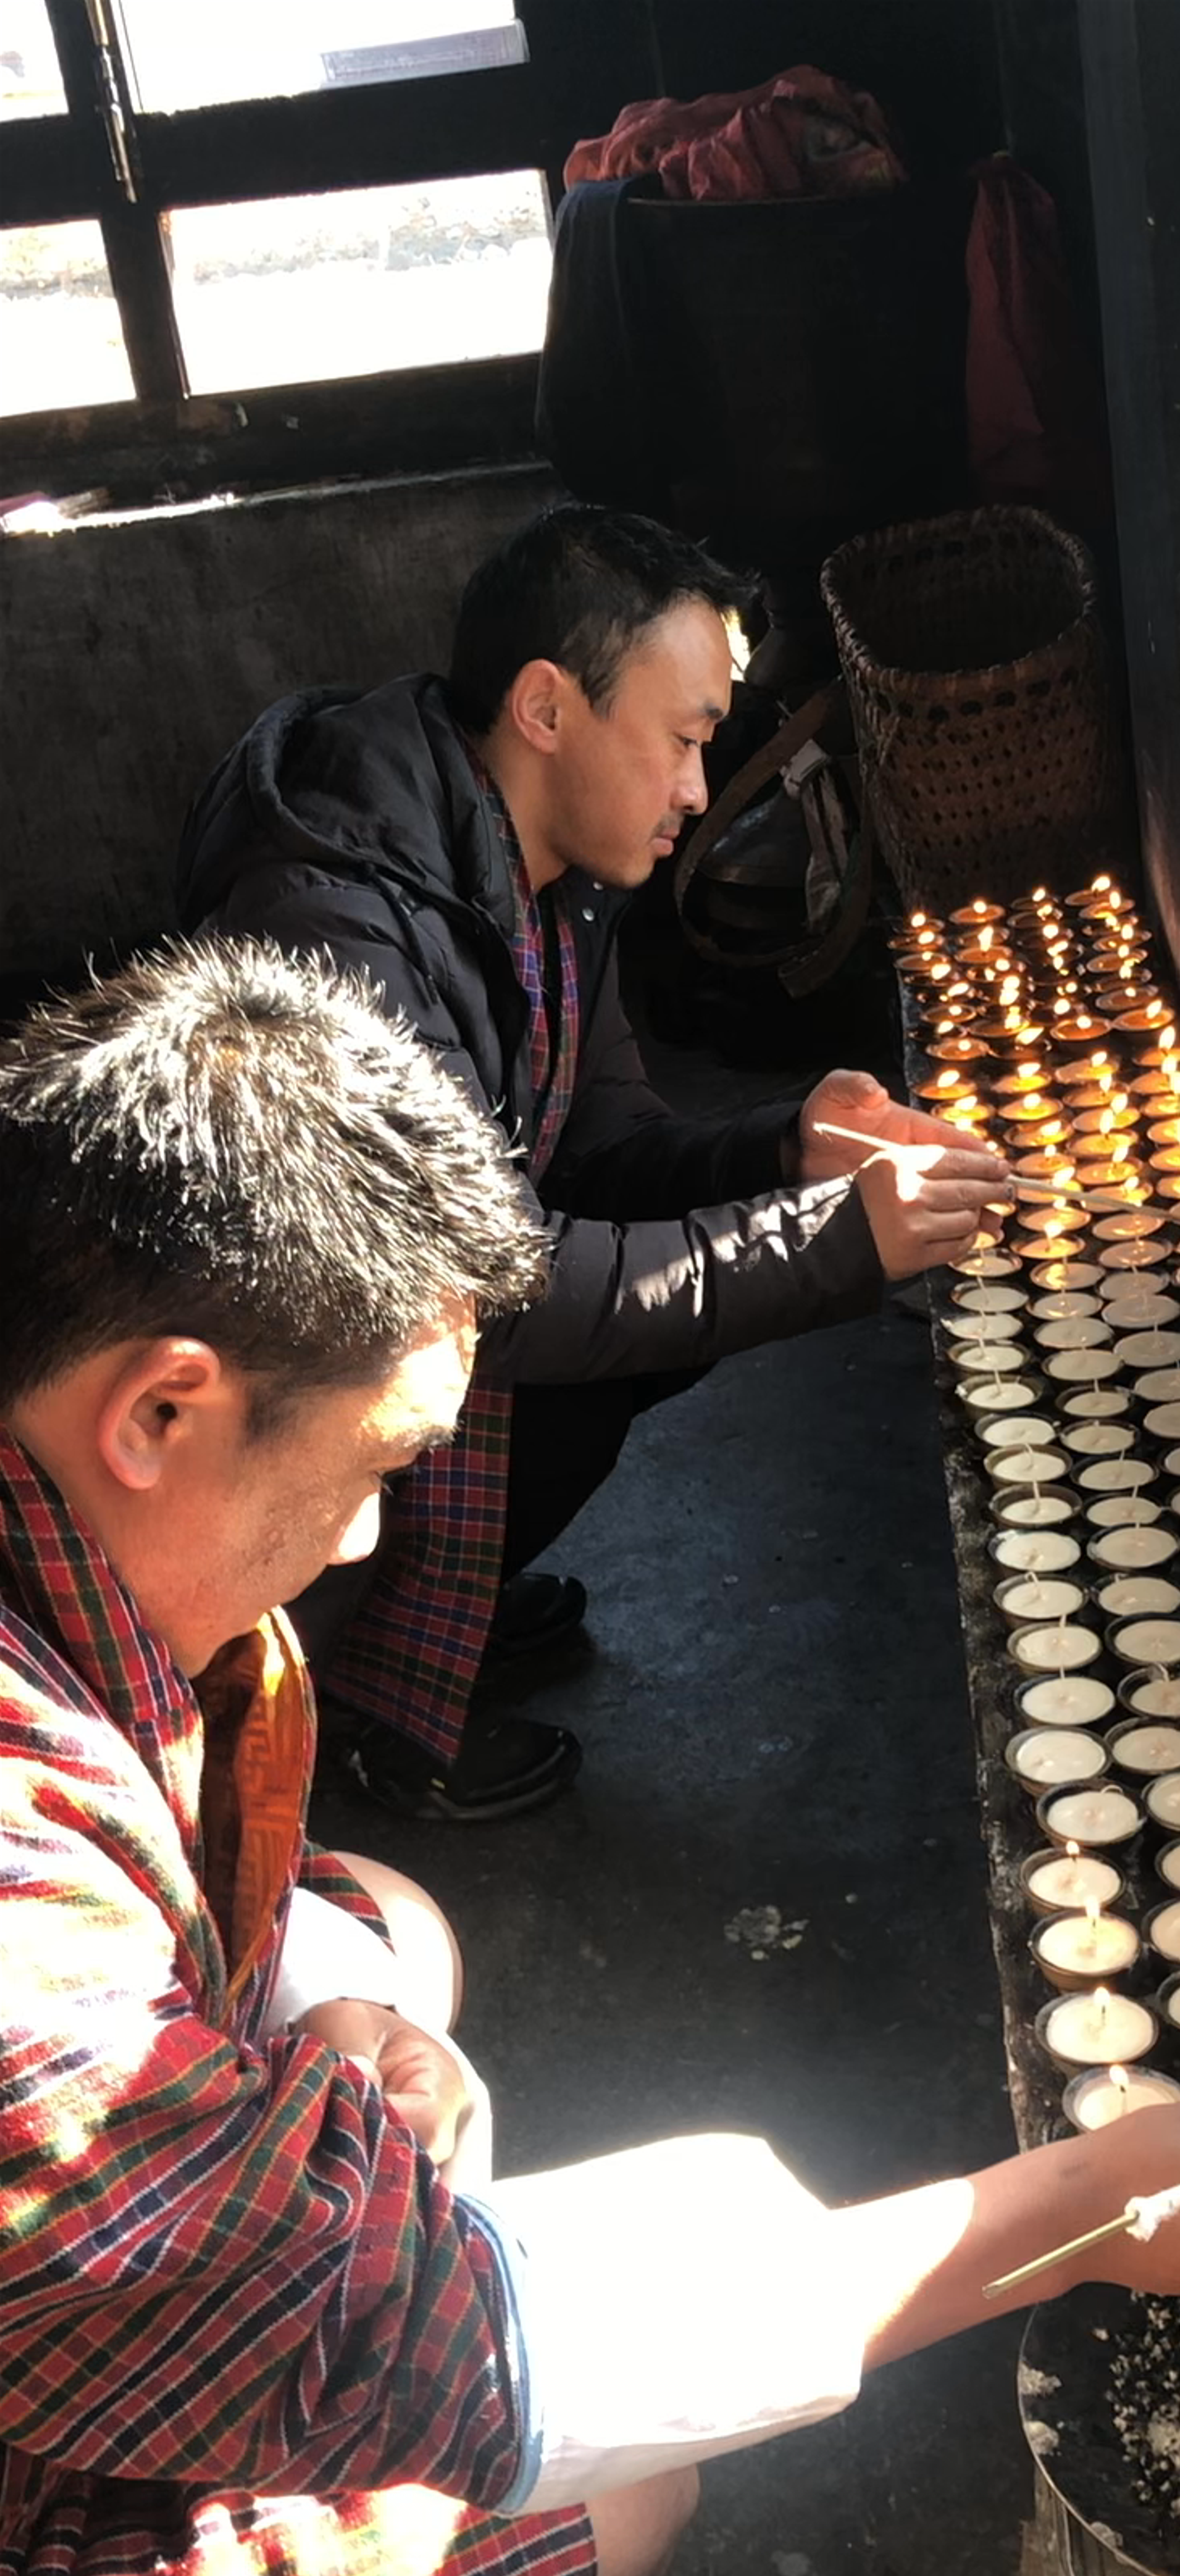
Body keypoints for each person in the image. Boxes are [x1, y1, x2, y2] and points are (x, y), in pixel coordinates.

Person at [0, 942, 1180, 2576]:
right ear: (162, 1406)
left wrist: (335, 2014)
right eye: (367, 1469)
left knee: (394, 1926)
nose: (370, 1536)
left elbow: (259, 1915)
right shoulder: (23, 1961)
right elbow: (453, 2358)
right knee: (614, 2495)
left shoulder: (56, 1558)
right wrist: (1082, 2213)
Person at [177, 500, 1008, 1823]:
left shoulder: (547, 870)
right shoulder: (340, 934)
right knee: (619, 1313)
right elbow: (494, 1301)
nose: (698, 789)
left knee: (690, 1286)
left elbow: (604, 1144)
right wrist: (841, 1240)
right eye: (683, 742)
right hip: (281, 1407)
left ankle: (436, 1608)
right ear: (548, 707)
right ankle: (355, 1700)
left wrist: (788, 1141)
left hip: (445, 1310)